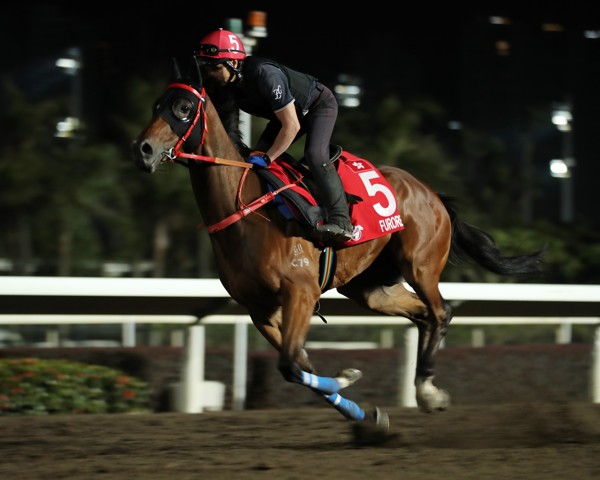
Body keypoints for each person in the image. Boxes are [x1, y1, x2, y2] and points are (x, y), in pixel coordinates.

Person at [195, 28, 353, 243]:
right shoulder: (226, 84)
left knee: (315, 155)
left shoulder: (265, 74)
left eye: (213, 68)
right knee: (255, 162)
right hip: (289, 116)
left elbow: (291, 126)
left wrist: (268, 157)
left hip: (317, 106)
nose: (209, 74)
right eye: (205, 67)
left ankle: (342, 221)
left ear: (233, 63)